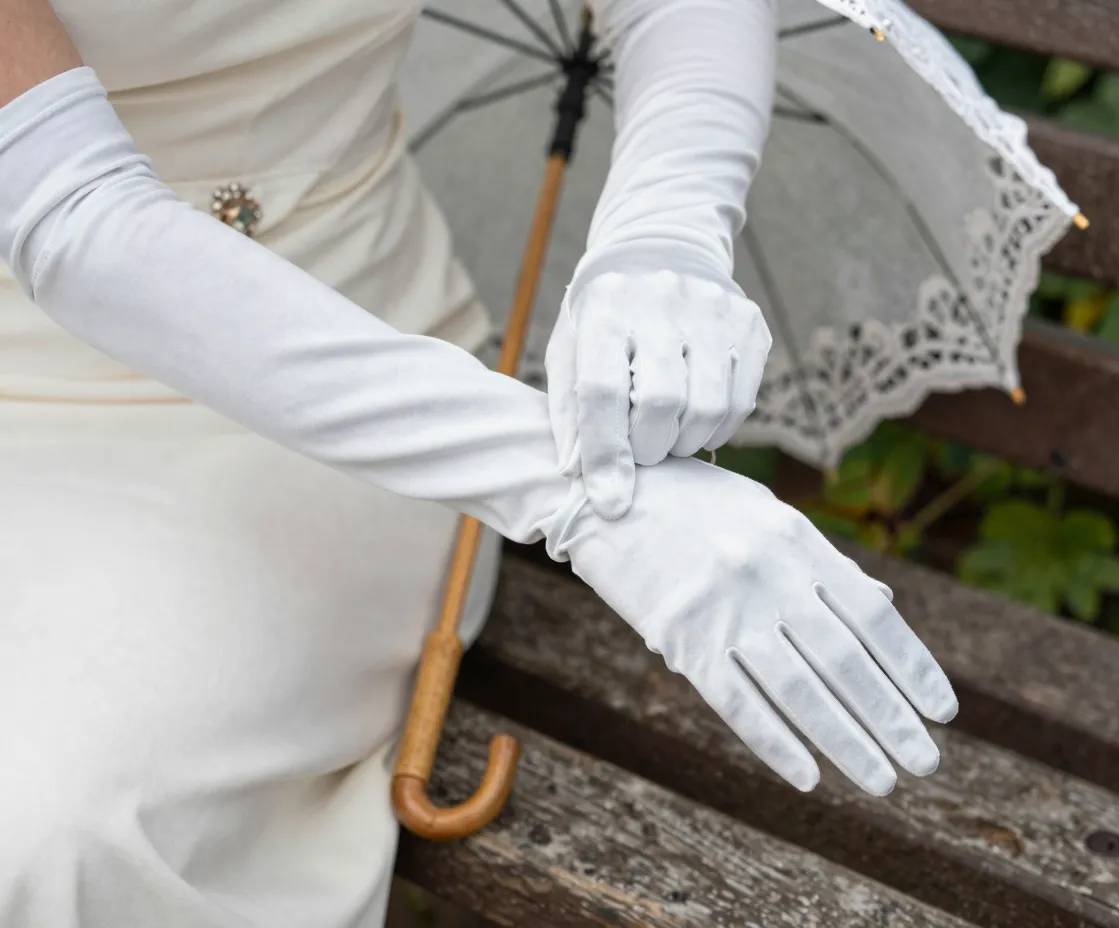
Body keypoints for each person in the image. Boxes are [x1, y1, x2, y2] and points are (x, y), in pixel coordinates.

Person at [0, 0, 958, 924]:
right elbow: (73, 210)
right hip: (40, 353)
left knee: (54, 832)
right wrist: (565, 484)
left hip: (352, 400)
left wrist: (665, 228)